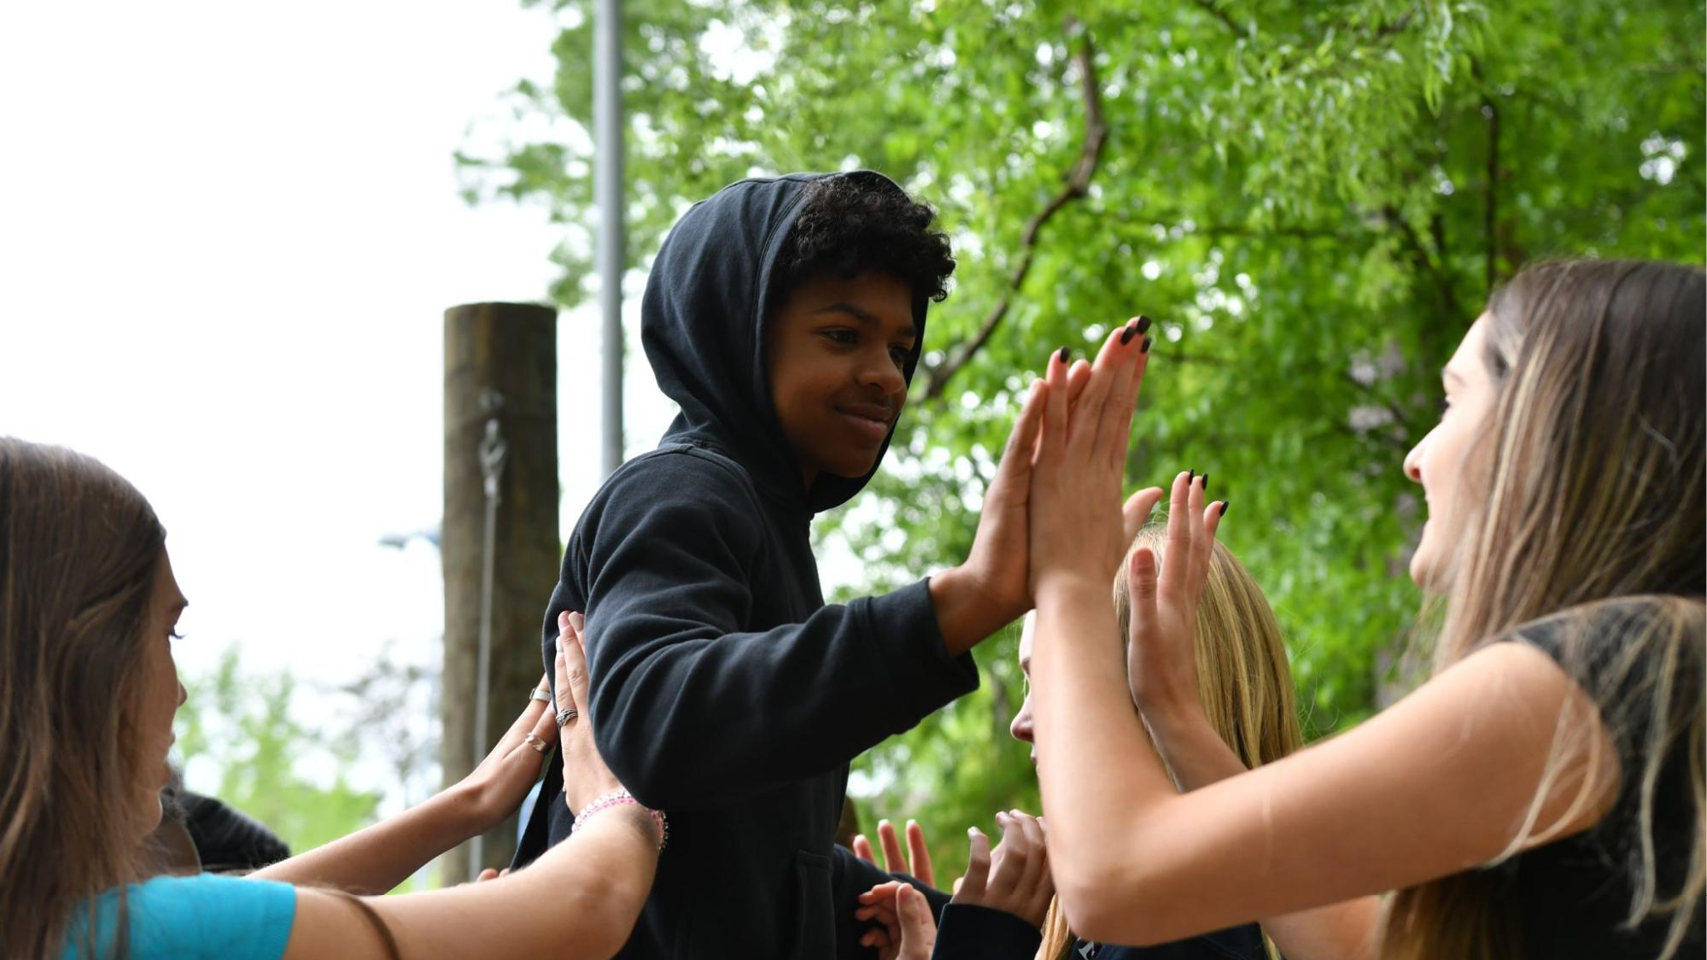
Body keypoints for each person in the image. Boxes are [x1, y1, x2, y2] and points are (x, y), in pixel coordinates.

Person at [510, 170, 1146, 958]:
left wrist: (973, 923)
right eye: (843, 336)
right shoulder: (681, 491)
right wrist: (967, 598)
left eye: (901, 348)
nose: (886, 373)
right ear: (737, 333)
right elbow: (655, 723)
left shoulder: (770, 530)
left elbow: (756, 870)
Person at [1026, 259, 1704, 958]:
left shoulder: (1611, 668)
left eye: (1450, 402)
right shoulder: (1655, 667)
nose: (1414, 458)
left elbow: (1114, 878)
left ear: (1551, 427)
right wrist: (1174, 713)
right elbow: (1363, 950)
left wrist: (1066, 580)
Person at [0, 437, 661, 960]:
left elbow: (231, 916)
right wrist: (620, 797)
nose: (178, 690)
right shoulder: (138, 935)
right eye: (168, 632)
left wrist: (471, 802)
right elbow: (590, 903)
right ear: (89, 663)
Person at [856, 518, 1314, 959]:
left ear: (1157, 687)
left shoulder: (1165, 923)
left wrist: (980, 943)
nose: (1020, 722)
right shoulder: (1152, 914)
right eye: (1026, 682)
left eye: (1052, 678)